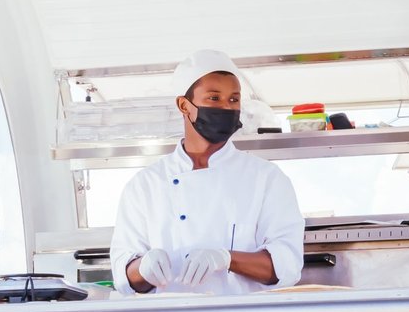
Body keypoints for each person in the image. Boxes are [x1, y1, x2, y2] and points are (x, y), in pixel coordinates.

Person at [109, 49, 305, 297]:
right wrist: (144, 267)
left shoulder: (265, 178)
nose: (226, 107)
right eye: (214, 98)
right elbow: (123, 276)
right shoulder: (145, 184)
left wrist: (226, 258)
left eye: (233, 100)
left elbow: (287, 265)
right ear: (184, 106)